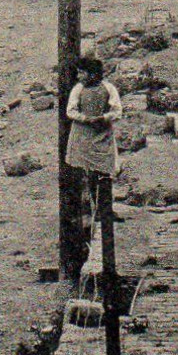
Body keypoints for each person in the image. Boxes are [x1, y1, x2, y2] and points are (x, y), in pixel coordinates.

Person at [65, 55, 123, 270]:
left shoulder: (109, 88)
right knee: (86, 173)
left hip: (102, 135)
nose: (79, 76)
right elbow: (70, 111)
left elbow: (117, 110)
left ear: (93, 74)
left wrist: (104, 118)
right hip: (83, 134)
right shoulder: (78, 89)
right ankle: (90, 208)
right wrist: (84, 119)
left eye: (83, 72)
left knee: (105, 171)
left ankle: (104, 207)